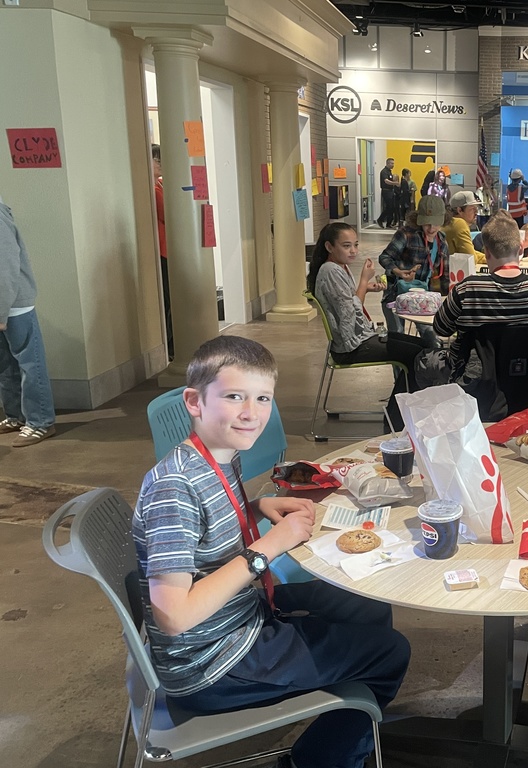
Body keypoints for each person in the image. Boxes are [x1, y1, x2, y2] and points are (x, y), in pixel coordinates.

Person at [132, 335, 410, 768]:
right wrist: (267, 547)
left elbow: (207, 528)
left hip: (240, 613)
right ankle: (320, 759)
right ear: (194, 401)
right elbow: (173, 616)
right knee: (391, 651)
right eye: (234, 397)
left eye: (262, 398)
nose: (251, 413)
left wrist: (256, 506)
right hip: (212, 662)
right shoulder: (174, 488)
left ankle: (348, 723)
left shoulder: (218, 455)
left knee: (366, 606)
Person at [309, 222, 430, 430]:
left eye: (355, 245)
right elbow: (348, 317)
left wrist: (367, 288)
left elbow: (348, 302)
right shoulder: (330, 271)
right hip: (351, 346)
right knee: (417, 355)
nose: (353, 251)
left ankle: (401, 413)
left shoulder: (338, 267)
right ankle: (395, 420)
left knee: (422, 347)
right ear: (329, 247)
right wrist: (364, 282)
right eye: (346, 246)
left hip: (360, 336)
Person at [433, 214, 528, 383]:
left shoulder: (466, 290)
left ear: (486, 252)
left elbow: (440, 330)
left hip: (476, 391)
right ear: (521, 249)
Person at [0, 198, 57, 447]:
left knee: (29, 363)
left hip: (14, 305)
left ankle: (40, 421)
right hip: (5, 306)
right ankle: (15, 416)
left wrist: (1, 312)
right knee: (5, 365)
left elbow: (6, 266)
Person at [378, 195, 451, 346]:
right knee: (397, 338)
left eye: (436, 224)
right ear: (419, 219)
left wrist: (448, 300)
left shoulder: (442, 241)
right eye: (426, 224)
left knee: (431, 338)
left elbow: (445, 276)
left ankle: (426, 368)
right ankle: (402, 369)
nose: (431, 229)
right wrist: (399, 272)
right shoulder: (406, 234)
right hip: (395, 294)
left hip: (421, 298)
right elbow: (385, 257)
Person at [151, 144, 173, 358]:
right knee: (166, 298)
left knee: (171, 299)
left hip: (169, 249)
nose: (161, 165)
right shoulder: (153, 189)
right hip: (161, 249)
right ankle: (169, 345)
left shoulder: (161, 185)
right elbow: (168, 212)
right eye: (157, 161)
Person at [443, 190, 486, 265]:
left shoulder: (451, 222)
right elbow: (471, 258)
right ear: (459, 210)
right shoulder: (459, 224)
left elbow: (471, 252)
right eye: (472, 208)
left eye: (476, 208)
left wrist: (487, 258)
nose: (476, 212)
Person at [376, 157, 399, 228]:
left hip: (390, 191)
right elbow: (386, 181)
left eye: (393, 163)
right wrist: (395, 183)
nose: (393, 165)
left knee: (391, 207)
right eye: (391, 163)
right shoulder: (384, 172)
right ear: (387, 163)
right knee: (389, 207)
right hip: (386, 191)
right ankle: (380, 219)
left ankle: (389, 223)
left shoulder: (389, 171)